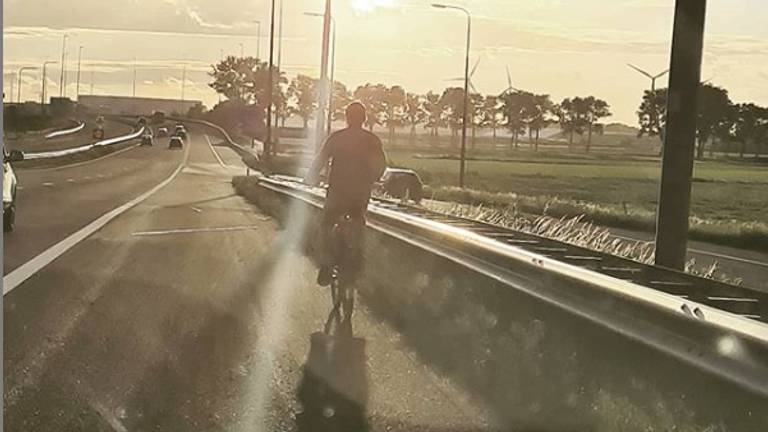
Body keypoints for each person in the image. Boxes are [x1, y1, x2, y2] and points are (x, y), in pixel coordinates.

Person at [305, 102, 387, 286]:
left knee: (326, 224)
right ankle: (358, 259)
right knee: (359, 221)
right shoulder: (372, 140)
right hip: (360, 193)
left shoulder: (337, 138)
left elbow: (320, 160)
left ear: (347, 117)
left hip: (338, 192)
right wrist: (374, 178)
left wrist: (311, 177)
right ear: (364, 119)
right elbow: (381, 165)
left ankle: (326, 265)